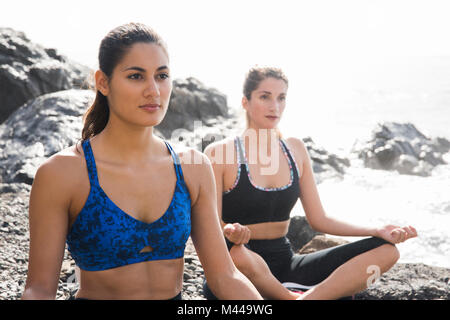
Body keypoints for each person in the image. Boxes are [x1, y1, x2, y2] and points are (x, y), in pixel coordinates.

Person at [21, 23, 262, 300]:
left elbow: (224, 276)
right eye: (136, 76)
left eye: (162, 76)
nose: (153, 90)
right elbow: (39, 289)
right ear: (103, 82)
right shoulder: (62, 173)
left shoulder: (193, 167)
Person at [203, 66, 418, 300]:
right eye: (265, 97)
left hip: (287, 264)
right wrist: (230, 231)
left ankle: (306, 298)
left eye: (281, 98)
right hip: (239, 267)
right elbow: (211, 225)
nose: (274, 106)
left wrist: (376, 230)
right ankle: (294, 297)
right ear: (245, 101)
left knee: (387, 251)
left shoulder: (294, 149)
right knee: (239, 256)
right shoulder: (220, 152)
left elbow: (319, 219)